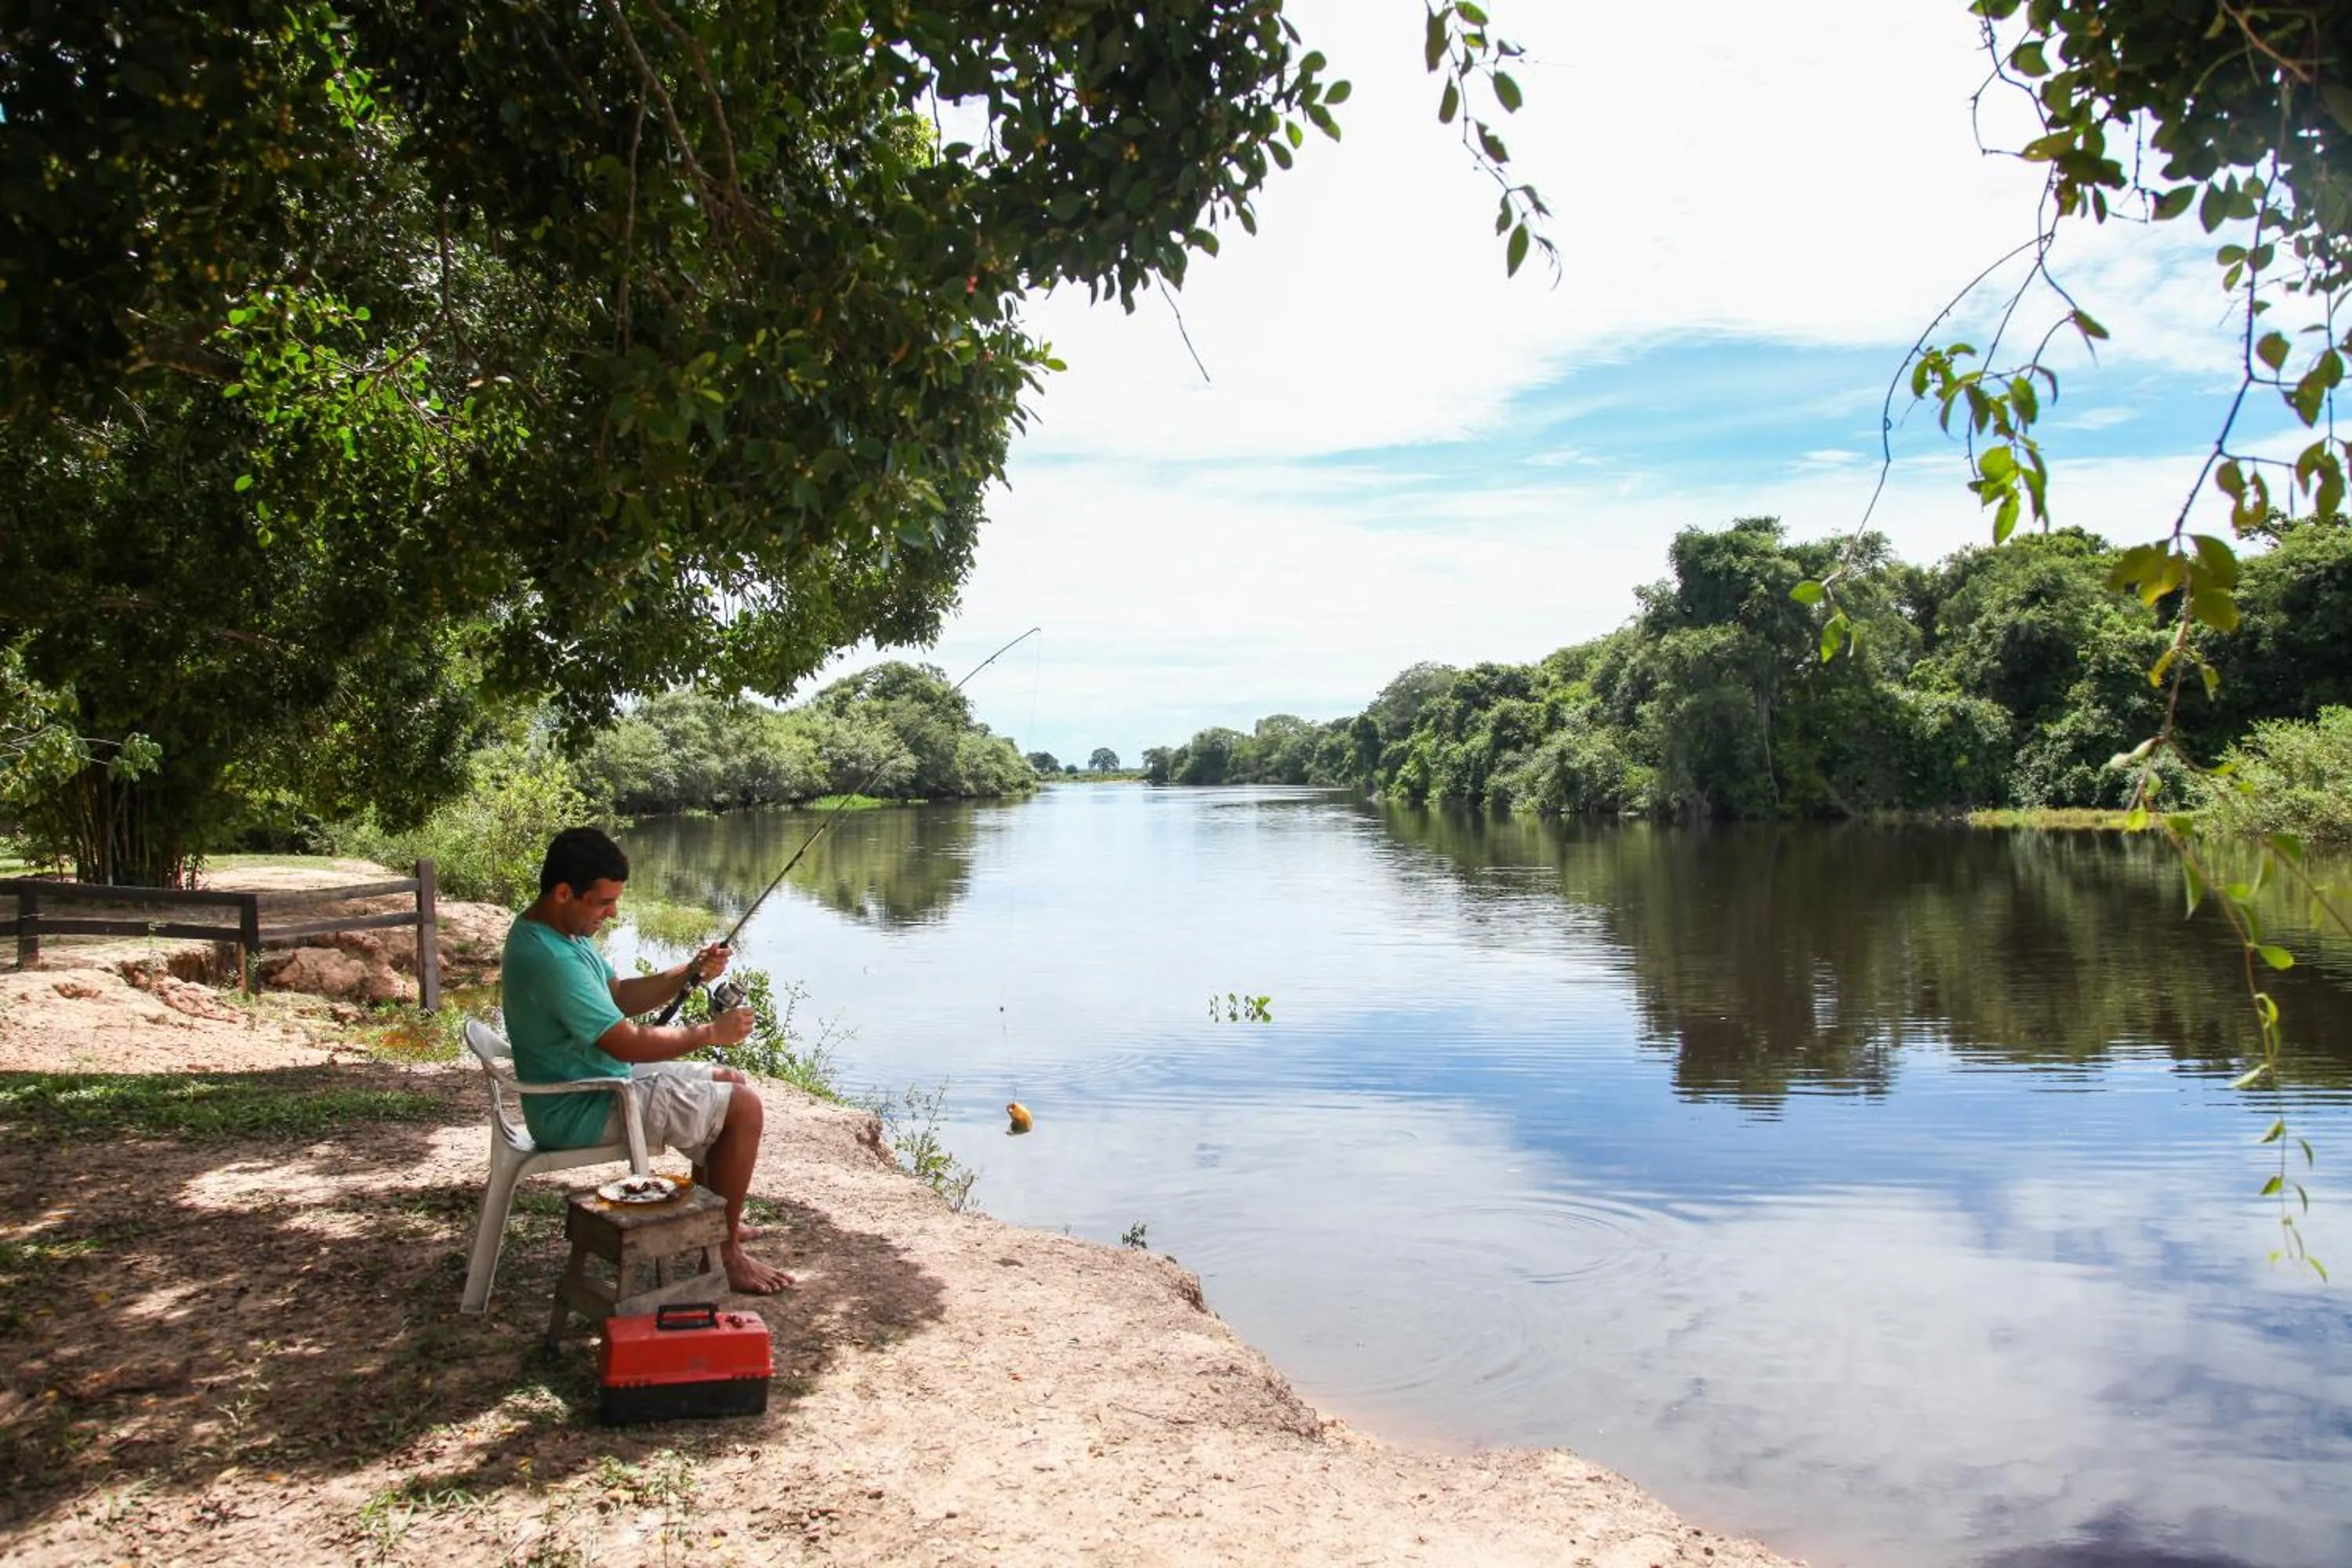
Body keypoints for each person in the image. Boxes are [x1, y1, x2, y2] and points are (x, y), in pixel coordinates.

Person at [501, 826, 791, 1294]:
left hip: (593, 1080)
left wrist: (689, 970)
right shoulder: (552, 959)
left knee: (728, 1079)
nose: (612, 913)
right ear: (562, 892)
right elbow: (627, 1043)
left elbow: (618, 996)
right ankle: (725, 1254)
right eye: (603, 902)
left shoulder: (561, 934)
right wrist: (709, 1033)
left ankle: (717, 1230)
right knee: (744, 1108)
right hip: (579, 1107)